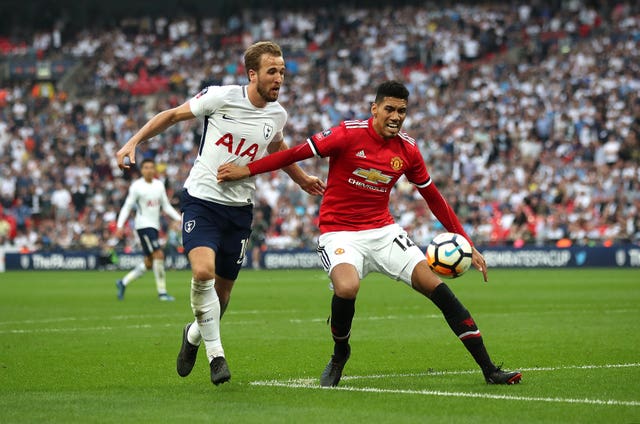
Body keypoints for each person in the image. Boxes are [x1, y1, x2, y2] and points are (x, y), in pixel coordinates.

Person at [217, 80, 522, 386]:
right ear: (374, 109)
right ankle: (340, 354)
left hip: (384, 231)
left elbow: (434, 198)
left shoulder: (409, 150)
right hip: (339, 232)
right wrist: (247, 169)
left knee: (440, 291)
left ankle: (489, 369)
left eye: (402, 111)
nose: (396, 116)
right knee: (347, 289)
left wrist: (468, 243)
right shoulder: (347, 133)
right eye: (389, 109)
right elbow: (294, 154)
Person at [115, 41, 325, 386]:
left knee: (222, 298)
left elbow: (276, 147)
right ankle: (217, 356)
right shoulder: (220, 97)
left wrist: (301, 179)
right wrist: (132, 142)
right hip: (201, 201)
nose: (279, 79)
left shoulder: (277, 115)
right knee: (202, 272)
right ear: (252, 73)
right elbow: (170, 116)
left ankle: (193, 336)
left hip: (240, 211)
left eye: (283, 72)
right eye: (273, 71)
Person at [115, 158, 182, 301]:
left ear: (155, 170)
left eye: (151, 167)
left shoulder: (159, 185)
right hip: (143, 226)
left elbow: (166, 205)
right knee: (159, 255)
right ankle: (162, 292)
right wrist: (120, 225)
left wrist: (178, 218)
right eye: (146, 167)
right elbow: (127, 207)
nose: (149, 170)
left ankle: (123, 282)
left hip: (154, 226)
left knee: (150, 261)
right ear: (141, 170)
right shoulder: (137, 186)